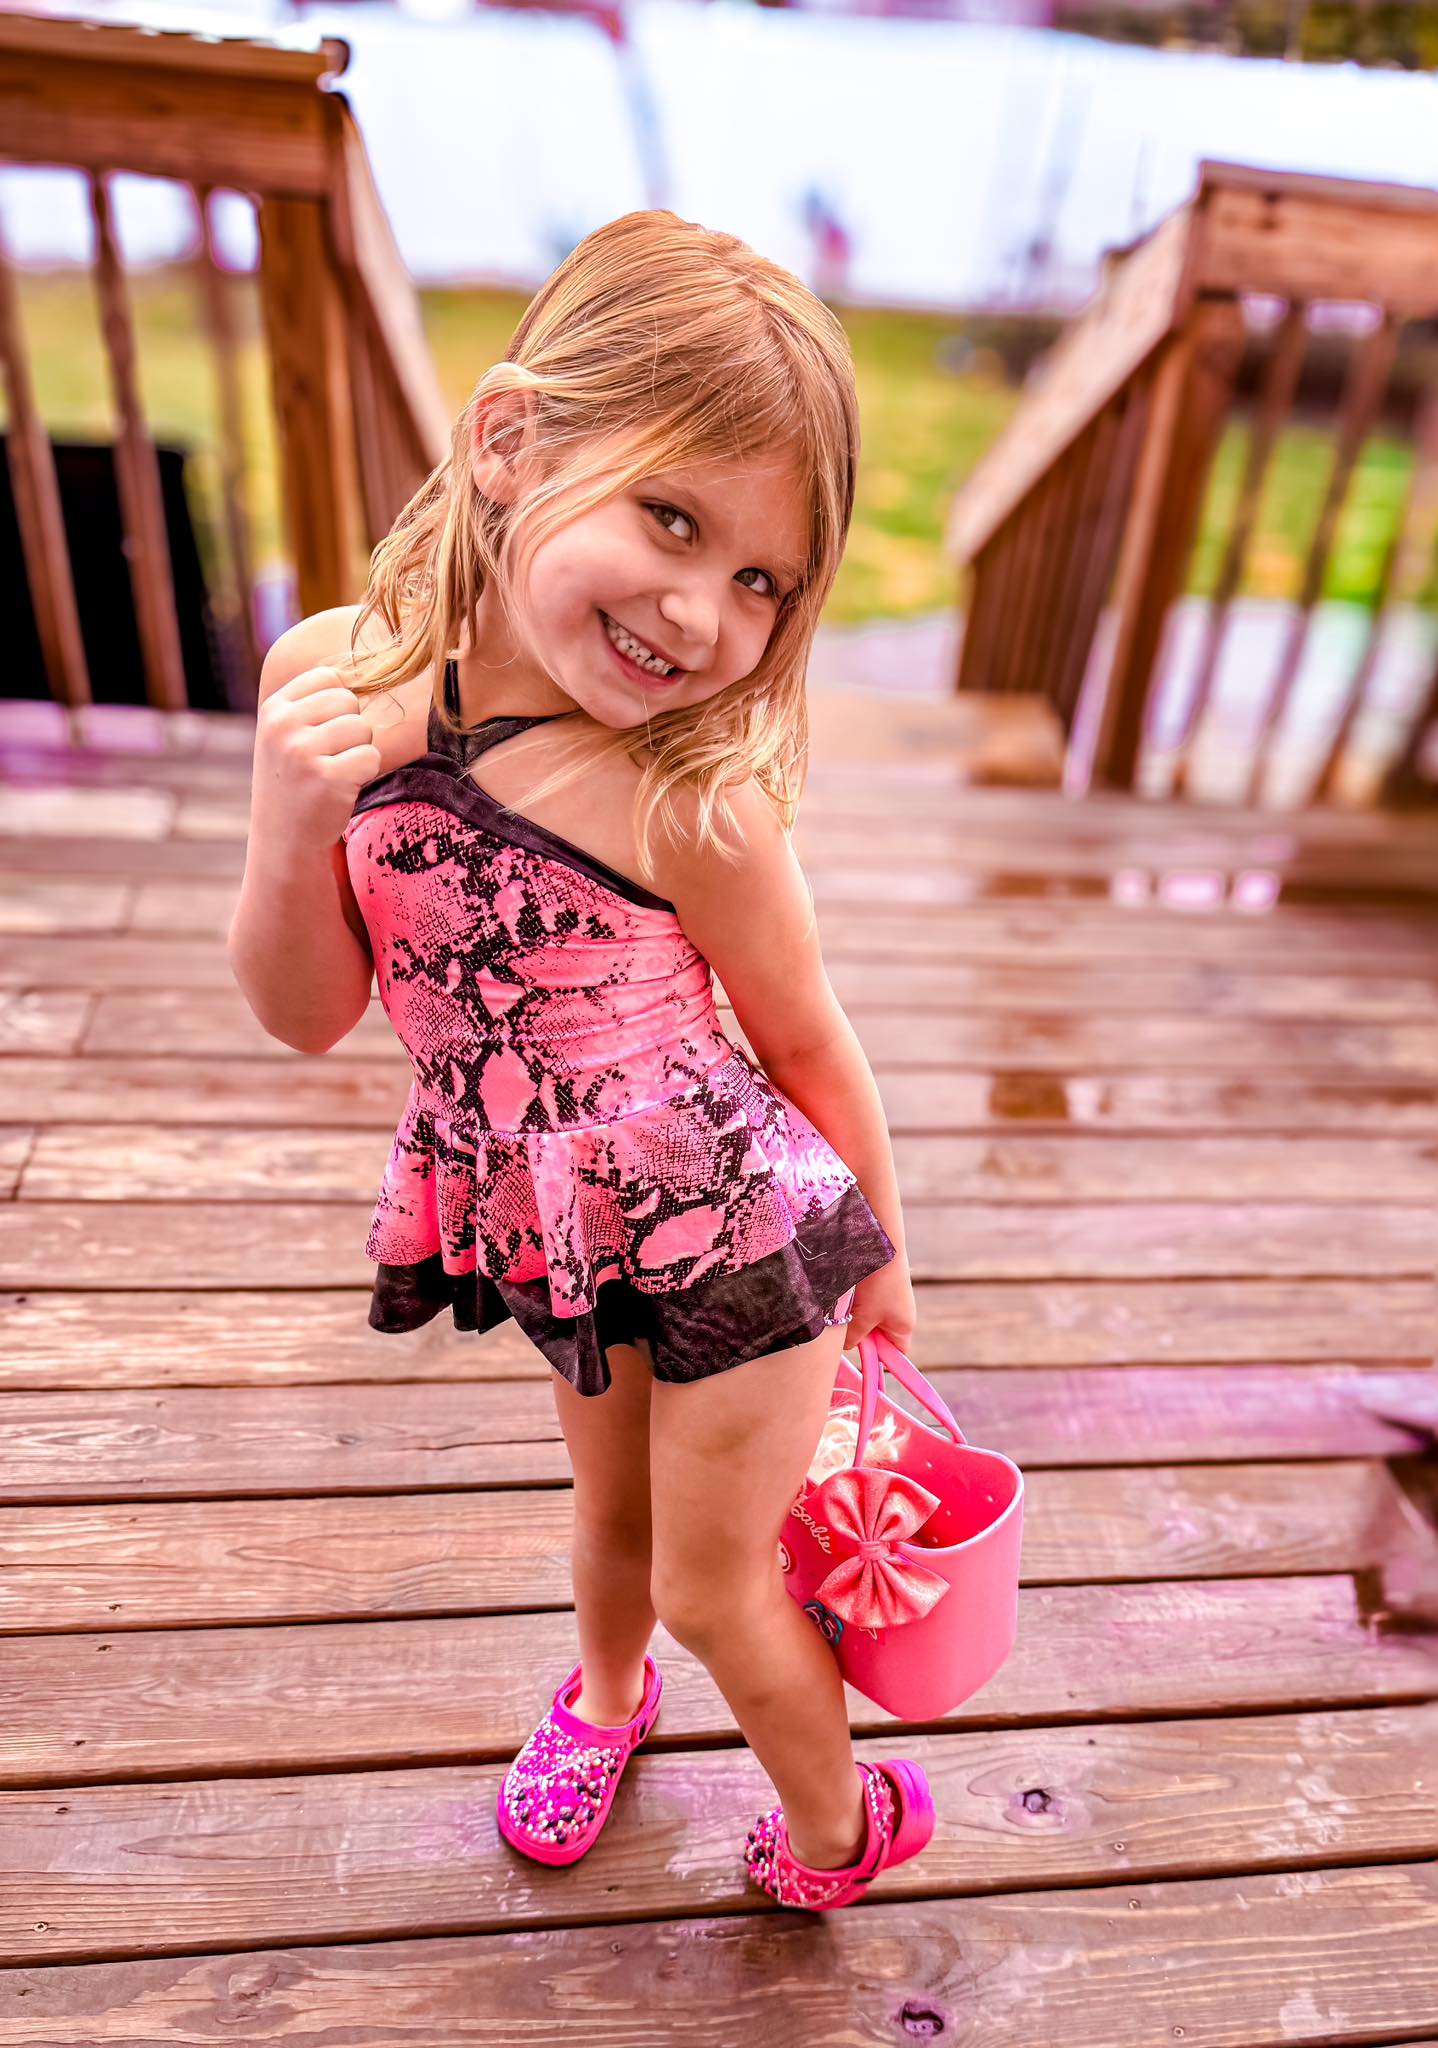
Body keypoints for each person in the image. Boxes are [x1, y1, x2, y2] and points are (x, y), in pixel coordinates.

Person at [228, 210, 935, 1912]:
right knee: (607, 1519)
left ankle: (843, 1826)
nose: (699, 613)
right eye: (671, 519)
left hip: (745, 1245)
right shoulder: (332, 684)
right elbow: (306, 1009)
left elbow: (803, 1034)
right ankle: (605, 1702)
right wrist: (283, 825)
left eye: (760, 580)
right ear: (509, 439)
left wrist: (886, 1264)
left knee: (711, 1583)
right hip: (560, 1217)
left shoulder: (692, 800)